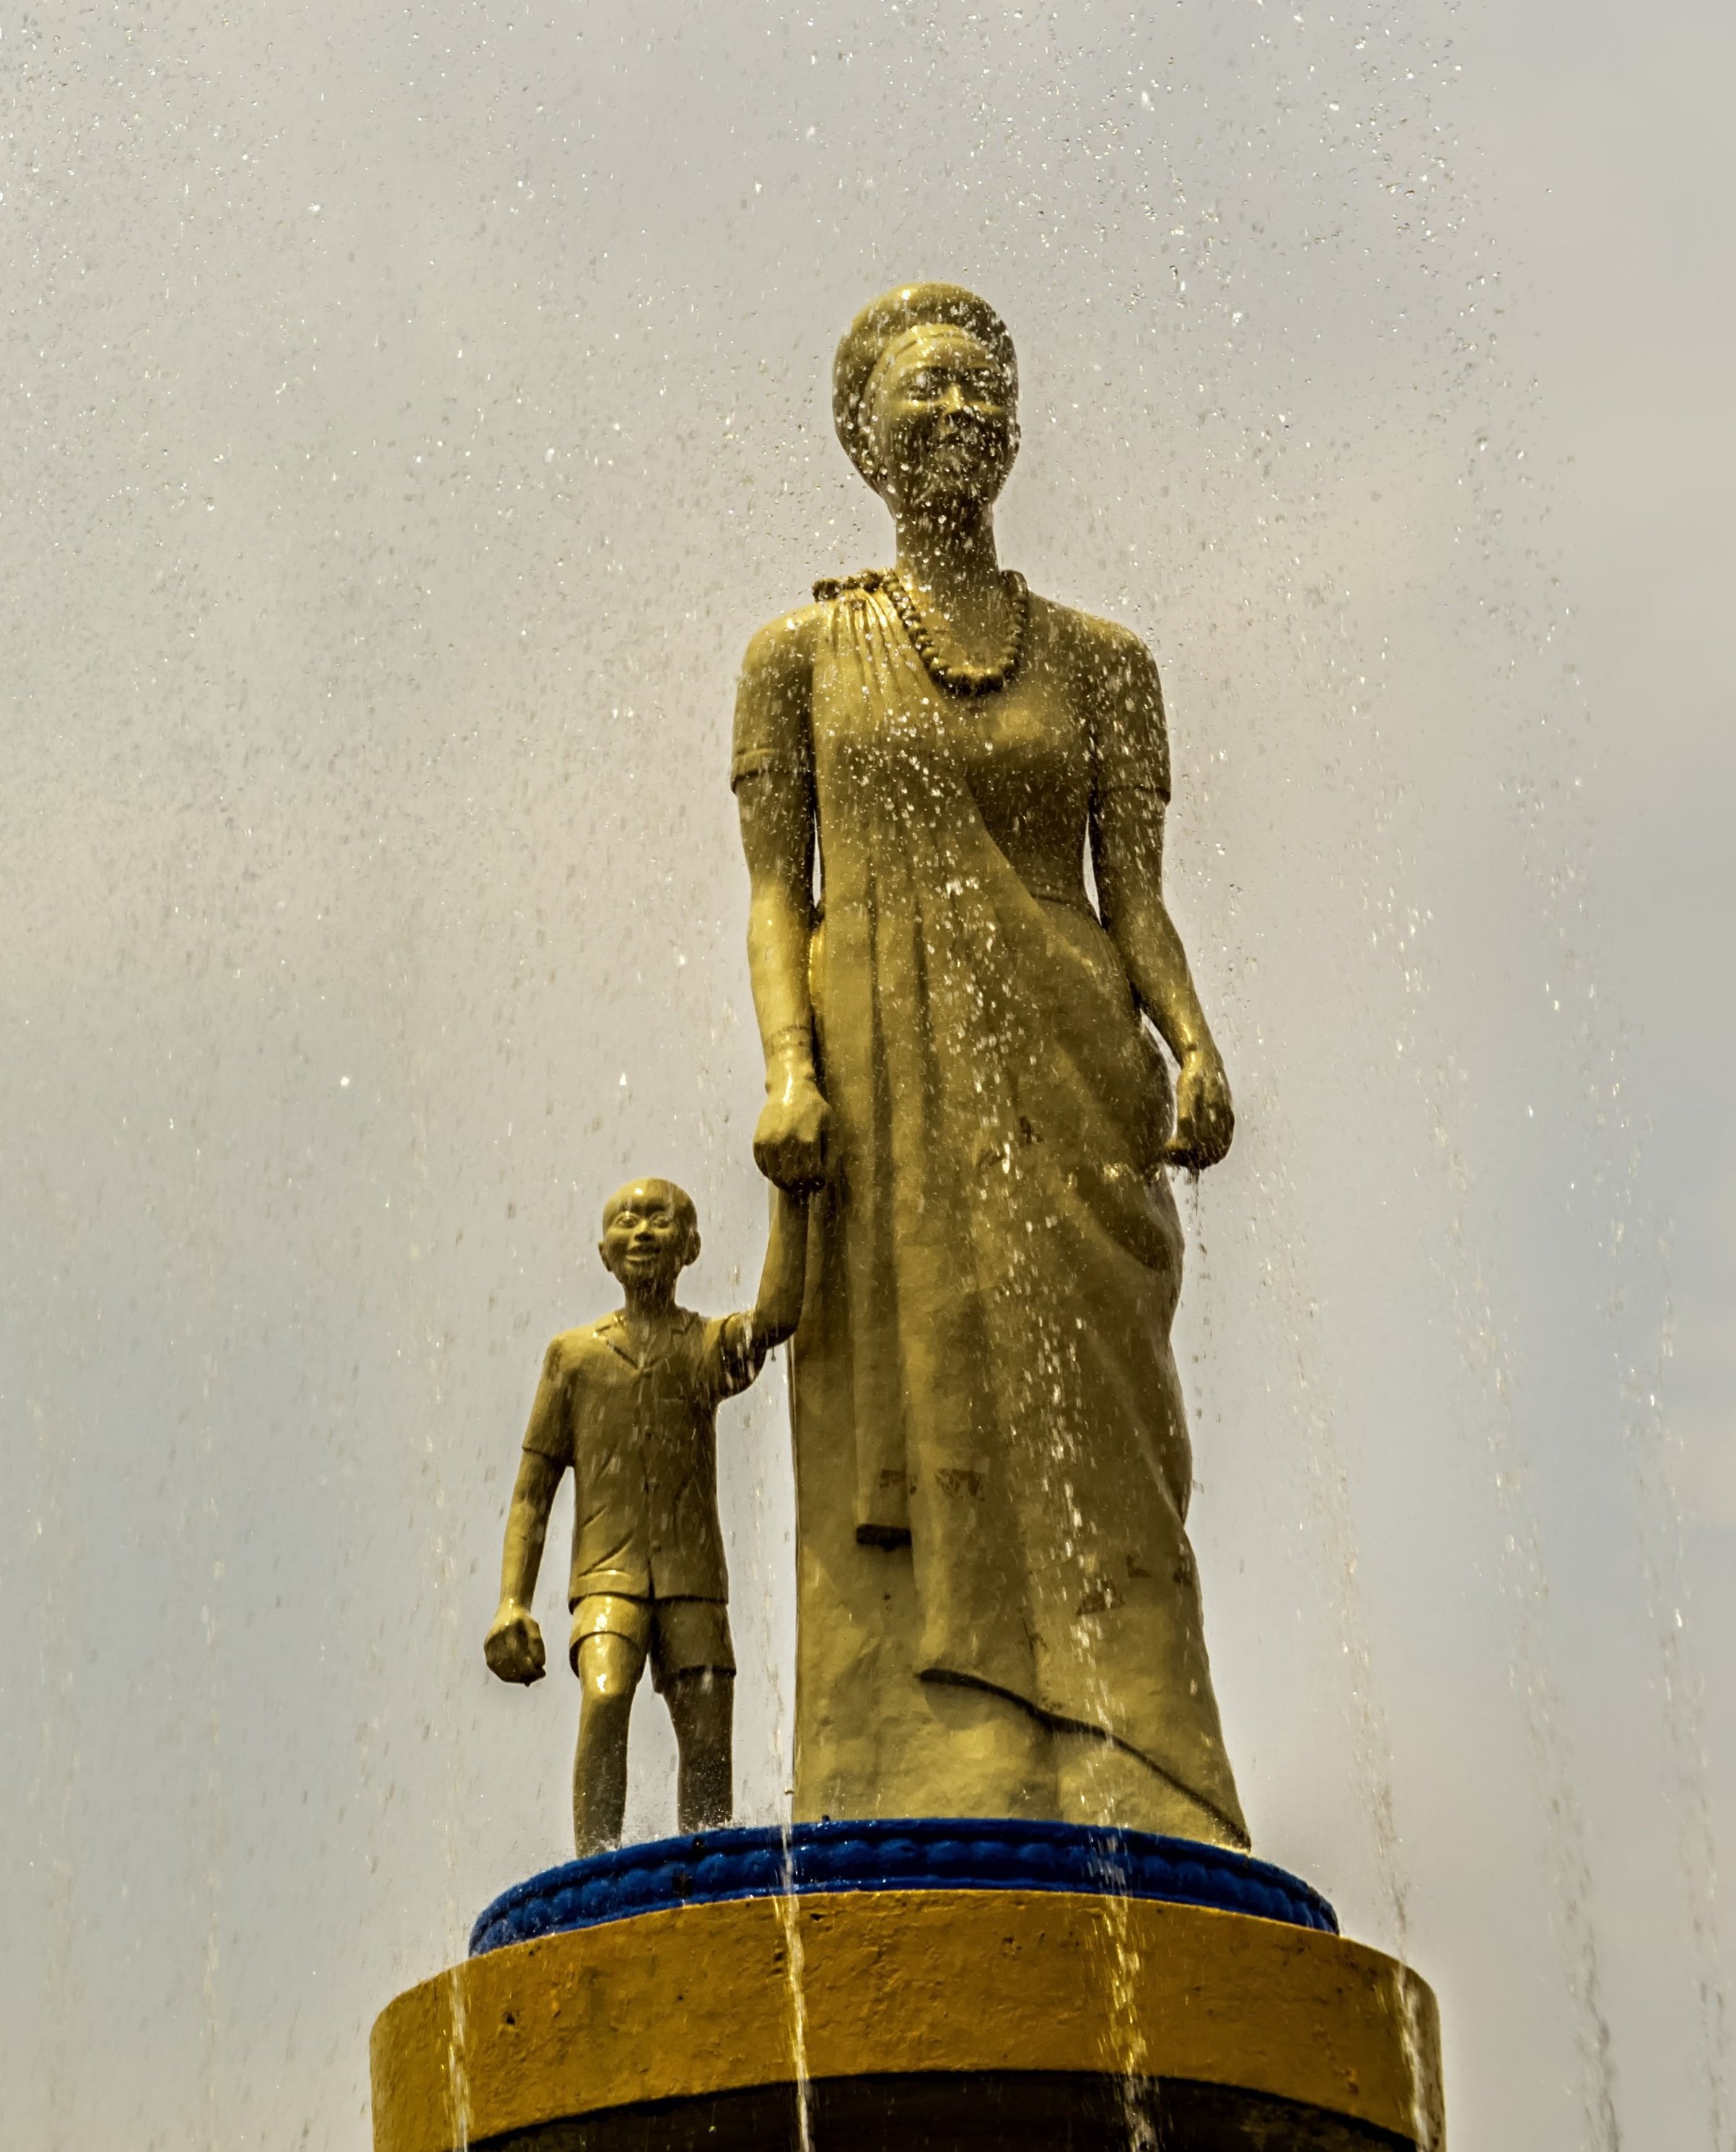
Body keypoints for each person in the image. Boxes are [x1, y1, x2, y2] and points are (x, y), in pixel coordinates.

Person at [732, 283, 1247, 1847]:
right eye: (919, 390)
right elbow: (773, 891)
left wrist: (1195, 1038)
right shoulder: (798, 653)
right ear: (863, 437)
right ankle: (926, 1755)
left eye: (978, 390)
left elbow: (1135, 894)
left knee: (1106, 1418)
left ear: (1014, 429)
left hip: (1071, 1058)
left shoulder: (1105, 662)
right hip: (882, 1072)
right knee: (910, 1383)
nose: (952, 412)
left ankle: (1141, 1758)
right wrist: (787, 1068)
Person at [483, 1178, 806, 1855]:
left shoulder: (704, 1346)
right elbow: (532, 1489)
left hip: (692, 1576)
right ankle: (596, 1869)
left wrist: (792, 1196)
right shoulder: (572, 1358)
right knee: (604, 1696)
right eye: (625, 1220)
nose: (641, 1232)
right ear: (603, 1252)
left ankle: (708, 1871)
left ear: (690, 1246)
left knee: (708, 1730)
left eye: (660, 1219)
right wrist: (513, 1601)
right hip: (607, 1575)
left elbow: (776, 1318)